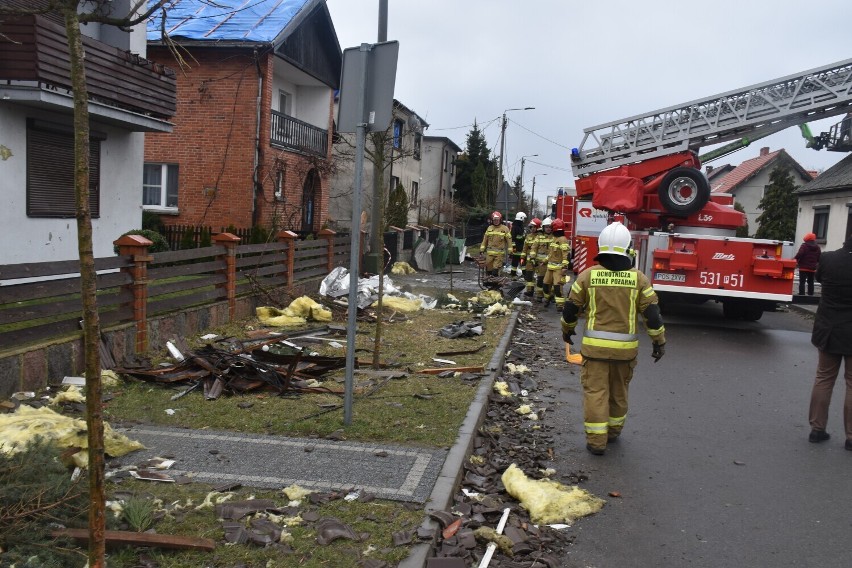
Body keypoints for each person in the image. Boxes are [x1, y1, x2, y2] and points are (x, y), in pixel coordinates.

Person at [560, 222, 666, 456]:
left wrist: (567, 330)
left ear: (602, 247)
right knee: (619, 392)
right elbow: (653, 315)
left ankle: (597, 443)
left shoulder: (588, 276)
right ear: (627, 248)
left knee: (596, 393)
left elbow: (570, 309)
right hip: (625, 353)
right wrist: (659, 341)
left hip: (594, 352)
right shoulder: (639, 279)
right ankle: (614, 433)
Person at [807, 232, 852, 450]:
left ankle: (817, 429)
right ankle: (851, 437)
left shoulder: (828, 259)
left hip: (829, 329)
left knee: (824, 378)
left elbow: (819, 278)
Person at [542, 217, 571, 309]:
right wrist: (545, 261)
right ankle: (548, 298)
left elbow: (566, 254)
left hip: (558, 269)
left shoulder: (562, 239)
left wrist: (565, 267)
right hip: (550, 267)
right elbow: (551, 253)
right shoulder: (555, 238)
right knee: (546, 285)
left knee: (558, 288)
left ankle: (560, 305)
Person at [479, 211, 512, 277]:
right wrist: (481, 250)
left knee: (495, 271)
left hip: (499, 255)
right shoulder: (489, 228)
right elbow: (485, 240)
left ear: (500, 220)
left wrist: (510, 252)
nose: (496, 221)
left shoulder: (505, 229)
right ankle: (489, 285)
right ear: (492, 220)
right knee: (489, 271)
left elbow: (509, 241)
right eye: (494, 220)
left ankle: (495, 285)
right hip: (489, 254)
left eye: (497, 220)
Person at [532, 217, 555, 302]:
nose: (548, 229)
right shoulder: (539, 237)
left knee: (551, 281)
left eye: (550, 227)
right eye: (546, 227)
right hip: (541, 264)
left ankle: (550, 295)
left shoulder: (555, 238)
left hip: (552, 263)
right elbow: (534, 248)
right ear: (543, 228)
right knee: (540, 280)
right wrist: (532, 258)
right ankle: (539, 295)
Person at [521, 218, 541, 297]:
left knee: (540, 277)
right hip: (529, 261)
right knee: (529, 276)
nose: (532, 229)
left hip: (538, 261)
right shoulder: (528, 236)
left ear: (538, 227)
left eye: (534, 227)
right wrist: (522, 258)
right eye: (531, 227)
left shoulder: (541, 237)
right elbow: (525, 248)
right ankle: (530, 291)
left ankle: (540, 294)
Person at [510, 212, 528, 277]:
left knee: (522, 262)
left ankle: (523, 274)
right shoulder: (515, 227)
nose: (524, 220)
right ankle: (513, 275)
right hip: (517, 249)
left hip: (520, 248)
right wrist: (523, 237)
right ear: (521, 218)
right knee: (516, 263)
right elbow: (514, 237)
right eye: (524, 218)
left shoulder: (519, 226)